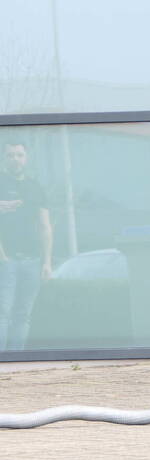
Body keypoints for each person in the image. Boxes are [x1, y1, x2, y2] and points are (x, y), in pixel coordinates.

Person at [0, 142, 53, 351]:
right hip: (6, 260)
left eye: (19, 155)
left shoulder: (35, 187)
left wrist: (47, 262)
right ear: (4, 158)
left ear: (26, 158)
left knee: (23, 314)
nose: (15, 159)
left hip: (32, 260)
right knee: (3, 312)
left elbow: (45, 226)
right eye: (11, 155)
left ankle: (15, 362)